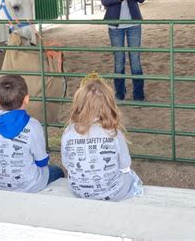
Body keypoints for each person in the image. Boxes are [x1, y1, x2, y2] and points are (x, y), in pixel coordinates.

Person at [61, 73, 143, 201]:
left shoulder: (68, 131)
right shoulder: (113, 133)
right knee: (131, 176)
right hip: (112, 193)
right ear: (108, 106)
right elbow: (125, 165)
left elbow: (66, 163)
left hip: (79, 191)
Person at [0, 75, 64, 192]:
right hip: (28, 185)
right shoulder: (32, 125)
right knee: (57, 171)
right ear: (26, 99)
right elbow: (42, 161)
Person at [101, 0, 146, 101]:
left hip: (134, 24)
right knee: (119, 59)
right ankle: (119, 93)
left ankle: (138, 94)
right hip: (115, 25)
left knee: (135, 59)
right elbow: (104, 0)